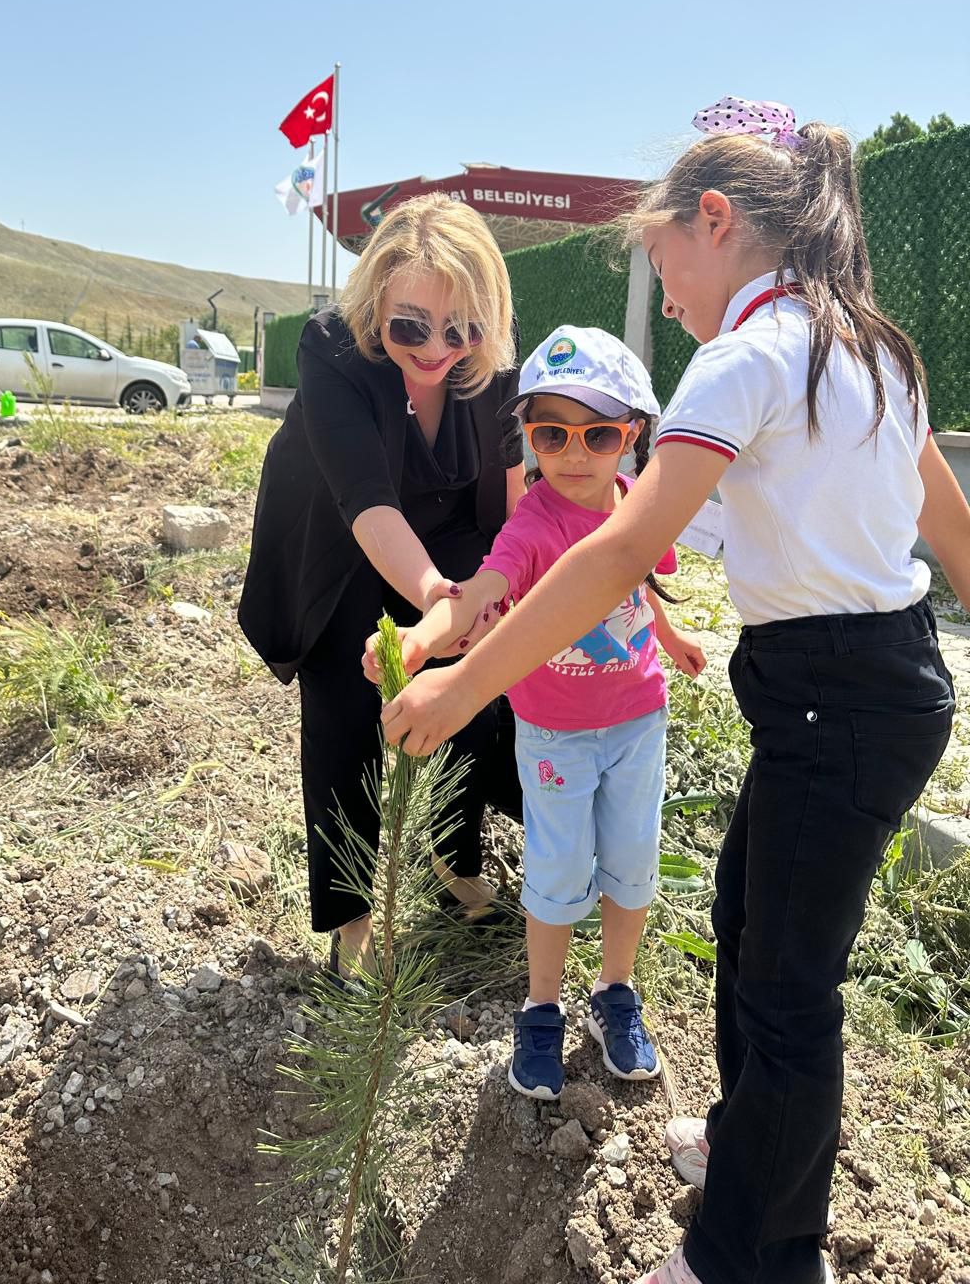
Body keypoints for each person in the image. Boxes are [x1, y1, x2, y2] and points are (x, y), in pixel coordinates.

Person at [379, 98, 968, 1284]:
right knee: (752, 919)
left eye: (664, 261)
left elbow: (609, 553)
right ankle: (752, 1143)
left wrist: (456, 686)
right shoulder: (866, 343)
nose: (672, 293)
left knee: (790, 987)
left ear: (714, 220)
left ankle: (751, 1253)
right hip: (874, 677)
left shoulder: (745, 357)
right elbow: (951, 528)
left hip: (834, 696)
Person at [366, 324, 706, 1095]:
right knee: (555, 873)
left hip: (638, 719)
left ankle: (615, 992)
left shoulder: (637, 507)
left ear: (633, 436)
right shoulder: (535, 525)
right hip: (556, 732)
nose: (575, 451)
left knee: (631, 862)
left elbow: (643, 583)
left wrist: (672, 633)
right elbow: (482, 589)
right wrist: (423, 639)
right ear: (527, 439)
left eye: (599, 432)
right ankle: (542, 1008)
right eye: (552, 432)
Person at [238, 193, 526, 984]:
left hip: (448, 531)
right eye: (411, 326)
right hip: (340, 538)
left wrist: (487, 591)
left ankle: (453, 864)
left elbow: (504, 487)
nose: (437, 348)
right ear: (376, 305)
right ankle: (353, 926)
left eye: (460, 327)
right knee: (344, 719)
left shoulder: (492, 361)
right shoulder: (334, 349)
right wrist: (437, 594)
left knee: (472, 698)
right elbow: (366, 501)